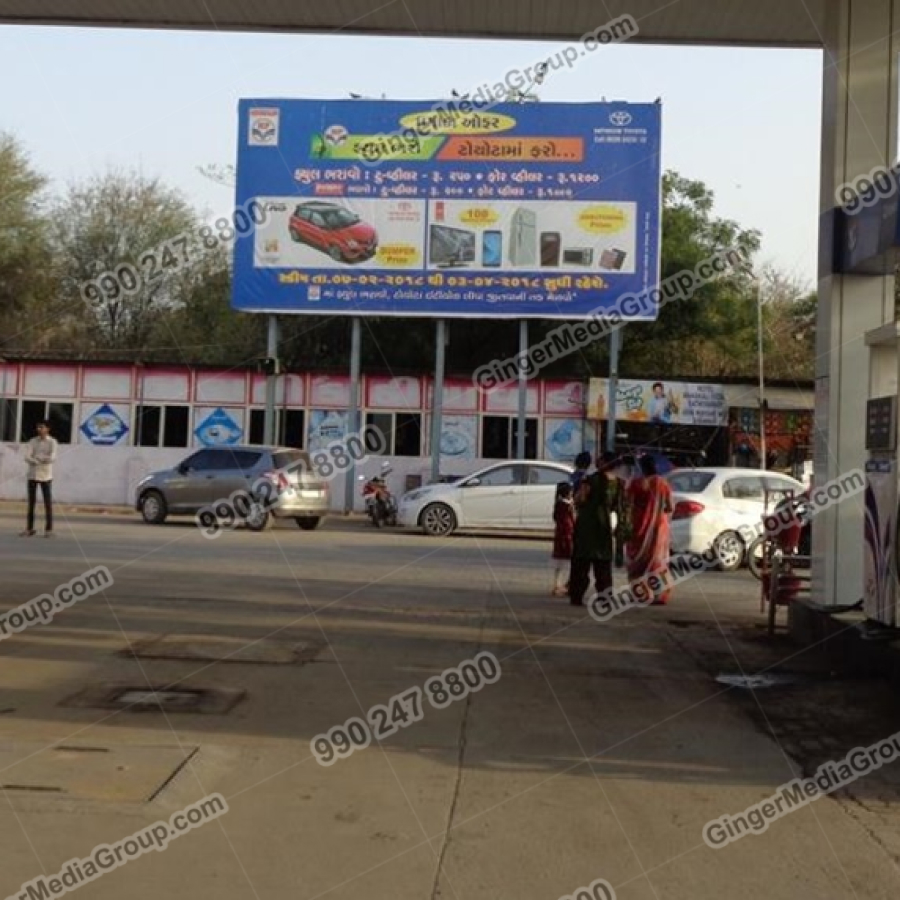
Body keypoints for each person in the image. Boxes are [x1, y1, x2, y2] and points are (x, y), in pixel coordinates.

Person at [625, 455, 673, 604]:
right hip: (659, 527)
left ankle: (643, 594)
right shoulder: (663, 484)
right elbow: (669, 506)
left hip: (638, 527)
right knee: (657, 562)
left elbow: (627, 503)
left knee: (637, 562)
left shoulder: (636, 484)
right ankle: (662, 594)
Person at [569, 454, 614, 607]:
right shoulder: (618, 483)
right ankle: (605, 598)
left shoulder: (590, 480)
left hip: (586, 526)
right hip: (604, 527)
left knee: (581, 564)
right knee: (603, 566)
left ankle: (576, 596)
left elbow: (579, 499)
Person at [21, 420, 58, 538]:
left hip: (46, 475)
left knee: (48, 503)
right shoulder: (32, 441)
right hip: (32, 474)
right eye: (38, 427)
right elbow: (27, 456)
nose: (39, 430)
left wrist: (37, 458)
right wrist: (36, 460)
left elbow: (52, 458)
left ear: (47, 429)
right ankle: (29, 528)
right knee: (31, 503)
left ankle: (49, 529)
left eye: (41, 427)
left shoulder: (52, 442)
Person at [601, 451, 628, 568]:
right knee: (619, 531)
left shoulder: (600, 479)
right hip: (619, 507)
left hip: (609, 507)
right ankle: (618, 556)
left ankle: (611, 555)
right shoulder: (620, 480)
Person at [551, 482, 575, 597]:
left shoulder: (558, 505)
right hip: (567, 536)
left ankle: (557, 585)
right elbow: (571, 522)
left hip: (559, 536)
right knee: (572, 561)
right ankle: (567, 585)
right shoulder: (568, 506)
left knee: (559, 563)